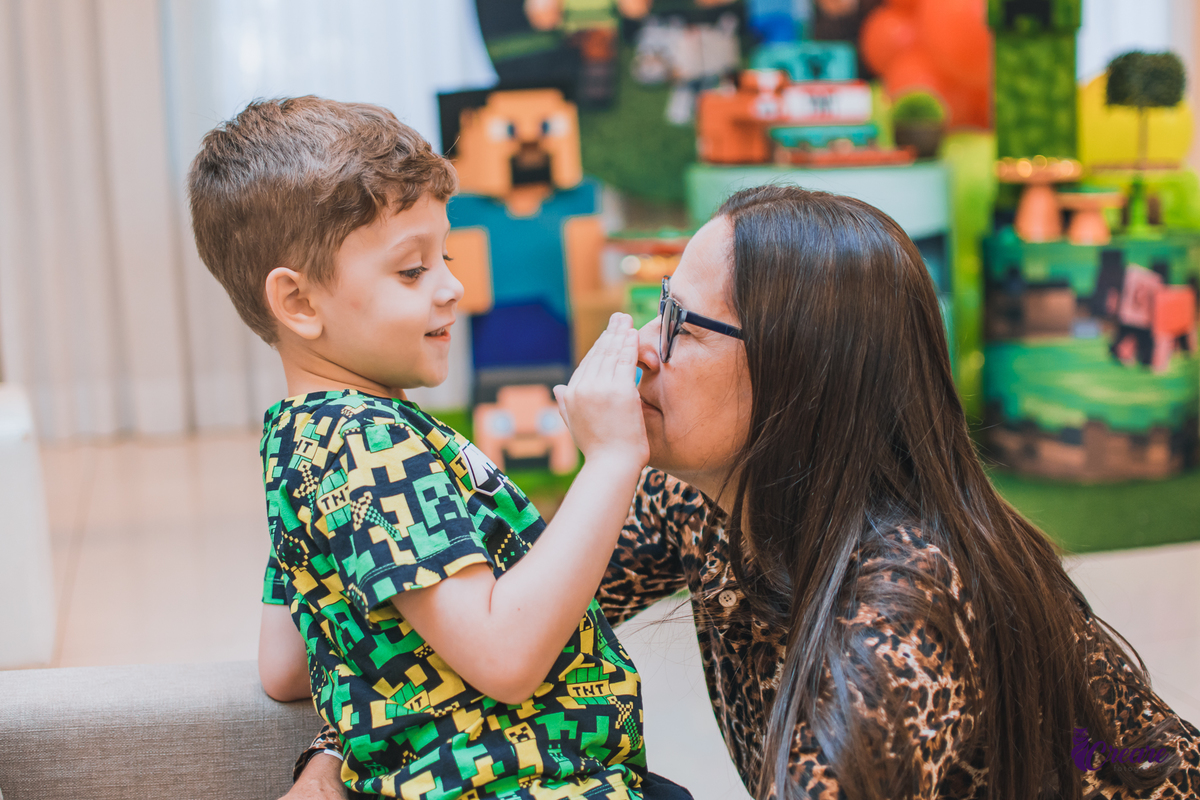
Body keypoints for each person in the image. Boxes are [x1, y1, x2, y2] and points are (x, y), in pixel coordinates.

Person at [291, 185, 1200, 800]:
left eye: (680, 324)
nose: (640, 344)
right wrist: (337, 759)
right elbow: (493, 629)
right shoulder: (705, 501)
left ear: (797, 375)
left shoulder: (902, 615)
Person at [187, 96, 693, 800]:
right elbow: (506, 657)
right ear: (300, 304)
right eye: (411, 271)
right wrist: (610, 460)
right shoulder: (374, 446)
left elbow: (286, 665)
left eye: (444, 256)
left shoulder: (299, 442)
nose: (452, 287)